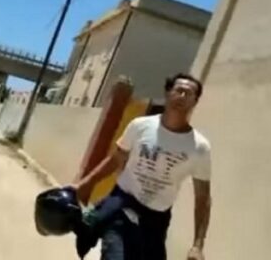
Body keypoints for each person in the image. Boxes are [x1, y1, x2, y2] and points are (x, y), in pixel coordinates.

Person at [72, 73, 212, 260]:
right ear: (168, 93)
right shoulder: (140, 126)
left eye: (189, 93)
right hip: (122, 205)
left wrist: (198, 245)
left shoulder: (199, 147)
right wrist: (86, 184)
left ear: (195, 101)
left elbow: (203, 198)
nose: (182, 96)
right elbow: (115, 159)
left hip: (156, 220)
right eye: (179, 90)